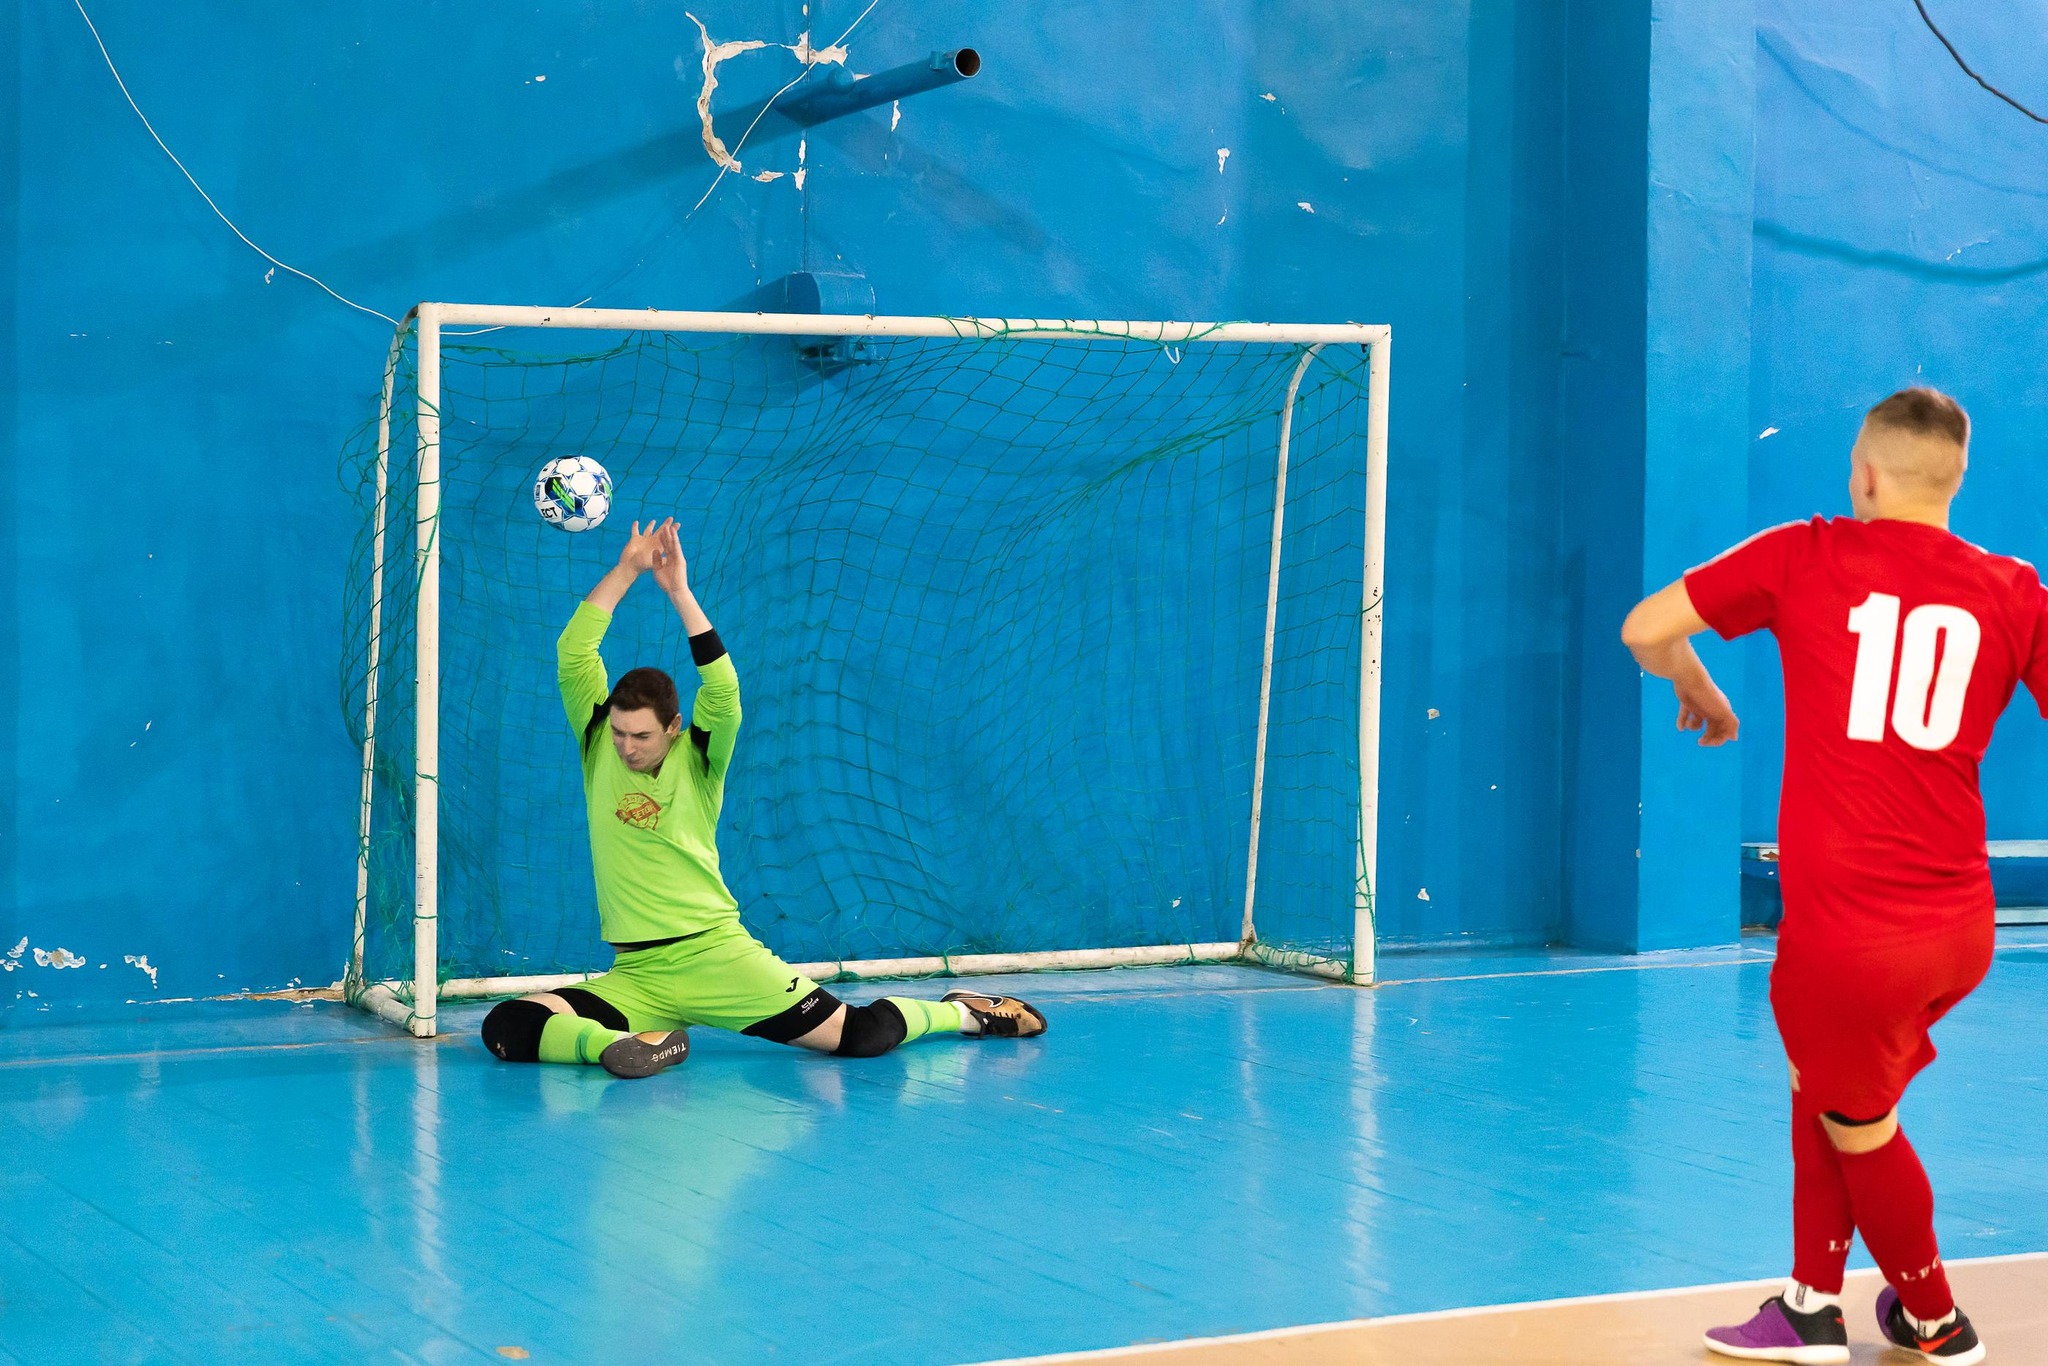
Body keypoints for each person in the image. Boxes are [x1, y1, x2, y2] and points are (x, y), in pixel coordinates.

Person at [1622, 387, 2030, 1365]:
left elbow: (1644, 628)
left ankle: (1934, 1320)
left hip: (1854, 936)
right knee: (1826, 1083)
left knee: (1859, 1122)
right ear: (1953, 480)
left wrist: (1699, 686)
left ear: (1866, 476)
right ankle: (1810, 1304)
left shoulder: (1805, 554)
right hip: (1960, 925)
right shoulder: (2014, 589)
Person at [482, 517, 1047, 1078]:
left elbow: (722, 687)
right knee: (508, 1024)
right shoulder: (596, 741)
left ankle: (964, 1013)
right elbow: (574, 651)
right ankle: (619, 1047)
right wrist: (627, 569)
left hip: (714, 954)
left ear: (674, 727)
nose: (627, 747)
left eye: (642, 736)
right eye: (620, 734)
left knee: (859, 1037)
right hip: (637, 974)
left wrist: (678, 592)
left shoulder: (700, 757)